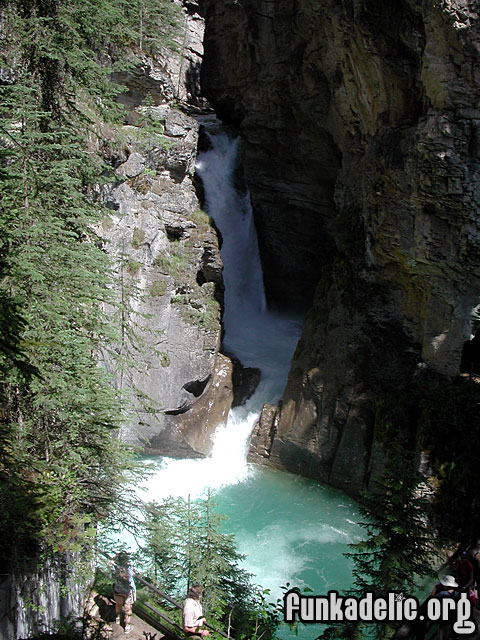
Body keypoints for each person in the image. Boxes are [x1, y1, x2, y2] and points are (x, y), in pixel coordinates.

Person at [110, 551, 136, 634]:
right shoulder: (128, 568)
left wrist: (115, 556)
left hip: (117, 590)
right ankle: (127, 627)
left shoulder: (115, 567)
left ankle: (117, 618)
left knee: (118, 604)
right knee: (128, 608)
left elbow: (109, 564)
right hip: (128, 591)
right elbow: (133, 575)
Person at [430, 575, 460, 640]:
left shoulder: (442, 594)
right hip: (453, 616)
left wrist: (435, 588)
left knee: (441, 630)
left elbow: (431, 600)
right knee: (448, 628)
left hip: (443, 616)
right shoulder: (457, 594)